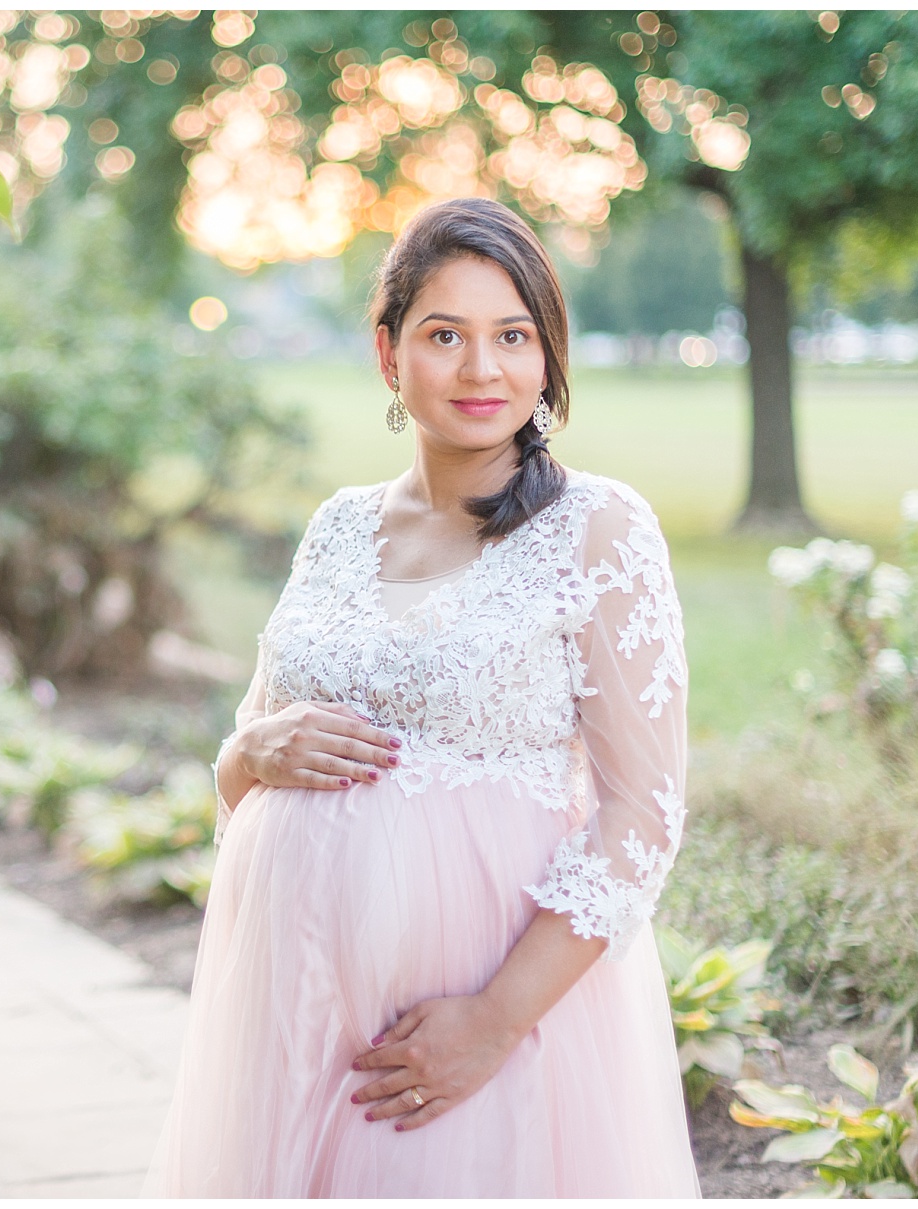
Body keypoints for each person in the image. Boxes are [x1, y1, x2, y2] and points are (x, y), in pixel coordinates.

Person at [142, 197, 699, 1198]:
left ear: (548, 356)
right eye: (445, 335)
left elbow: (641, 820)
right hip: (298, 1012)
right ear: (389, 353)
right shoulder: (338, 527)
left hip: (480, 1025)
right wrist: (250, 756)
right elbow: (244, 764)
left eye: (512, 336)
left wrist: (491, 1023)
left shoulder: (598, 531)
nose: (482, 369)